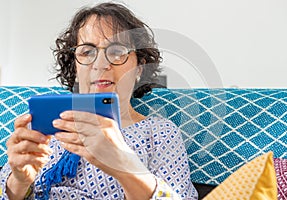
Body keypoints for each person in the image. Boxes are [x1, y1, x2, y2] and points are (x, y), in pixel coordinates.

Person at [0, 2, 198, 199]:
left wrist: (124, 165)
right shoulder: (41, 128)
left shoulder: (160, 133)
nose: (100, 64)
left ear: (139, 67)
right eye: (87, 52)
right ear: (75, 67)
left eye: (117, 51)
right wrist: (18, 181)